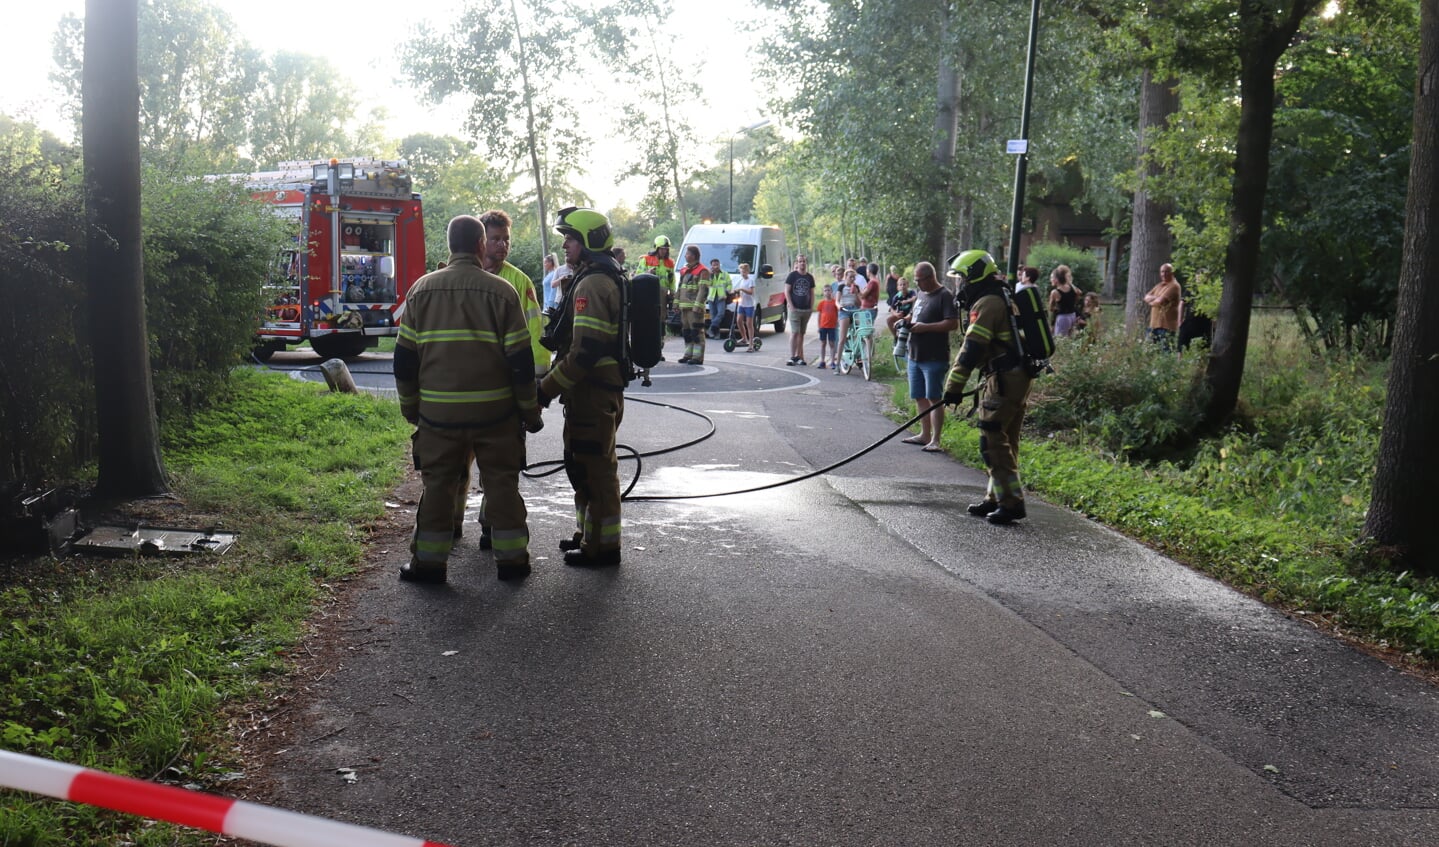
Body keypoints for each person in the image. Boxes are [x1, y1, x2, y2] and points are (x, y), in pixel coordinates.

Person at [393, 215, 543, 584]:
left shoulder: (421, 290)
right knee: (501, 486)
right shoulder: (503, 292)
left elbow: (404, 361)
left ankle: (428, 564)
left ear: (449, 246)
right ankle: (512, 562)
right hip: (496, 416)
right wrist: (529, 411)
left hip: (439, 417)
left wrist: (412, 408)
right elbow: (521, 363)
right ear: (480, 245)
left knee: (439, 487)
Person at [451, 210, 550, 549]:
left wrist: (536, 386)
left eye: (507, 239)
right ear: (481, 240)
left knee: (499, 469)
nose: (502, 245)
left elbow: (535, 336)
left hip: (503, 394)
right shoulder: (452, 275)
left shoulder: (519, 282)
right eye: (495, 238)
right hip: (459, 388)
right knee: (455, 466)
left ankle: (490, 527)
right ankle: (448, 522)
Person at [536, 207, 626, 567]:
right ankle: (588, 534)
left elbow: (584, 351)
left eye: (571, 239)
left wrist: (546, 388)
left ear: (588, 241)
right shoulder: (598, 276)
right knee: (583, 464)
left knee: (596, 471)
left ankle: (602, 548)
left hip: (592, 392)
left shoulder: (591, 284)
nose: (566, 245)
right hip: (593, 392)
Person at [941, 249, 1033, 525]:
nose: (960, 285)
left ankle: (1011, 502)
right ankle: (996, 497)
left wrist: (953, 387)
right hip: (1015, 376)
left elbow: (970, 351)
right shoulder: (1001, 297)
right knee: (1006, 439)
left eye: (962, 278)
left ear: (974, 276)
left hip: (1004, 379)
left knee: (992, 438)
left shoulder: (988, 304)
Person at [898, 261, 960, 451]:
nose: (916, 284)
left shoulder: (944, 296)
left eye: (919, 280)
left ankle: (936, 439)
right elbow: (916, 316)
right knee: (919, 396)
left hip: (934, 356)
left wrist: (926, 328)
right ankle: (924, 435)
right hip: (915, 354)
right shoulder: (921, 294)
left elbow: (952, 323)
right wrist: (905, 321)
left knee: (934, 397)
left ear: (929, 277)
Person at [675, 245, 711, 365]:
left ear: (694, 256)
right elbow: (680, 288)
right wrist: (676, 303)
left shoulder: (703, 271)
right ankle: (688, 354)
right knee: (686, 332)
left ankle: (697, 357)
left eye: (687, 254)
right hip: (684, 307)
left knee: (696, 332)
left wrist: (697, 306)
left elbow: (703, 290)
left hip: (694, 308)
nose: (685, 256)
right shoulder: (684, 270)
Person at [785, 254, 816, 366]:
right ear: (797, 263)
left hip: (806, 310)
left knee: (802, 334)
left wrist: (811, 307)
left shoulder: (810, 277)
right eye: (800, 261)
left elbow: (812, 293)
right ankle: (792, 356)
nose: (802, 263)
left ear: (806, 263)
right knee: (794, 332)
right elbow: (787, 291)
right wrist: (791, 305)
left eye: (803, 261)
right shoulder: (792, 276)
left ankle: (799, 356)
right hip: (795, 309)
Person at [1145, 263, 1182, 350]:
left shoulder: (1174, 286)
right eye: (1162, 272)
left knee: (1166, 353)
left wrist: (1152, 301)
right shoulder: (1159, 285)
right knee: (1149, 352)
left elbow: (1160, 302)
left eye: (1166, 272)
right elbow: (1146, 297)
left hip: (1166, 327)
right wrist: (1156, 298)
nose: (1164, 274)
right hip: (1153, 325)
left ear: (1172, 273)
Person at [1047, 264, 1083, 337]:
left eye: (1051, 277)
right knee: (1070, 338)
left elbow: (1051, 308)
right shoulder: (1072, 288)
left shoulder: (1055, 292)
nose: (1050, 280)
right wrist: (1069, 282)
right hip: (1072, 315)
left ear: (1056, 279)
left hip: (1062, 318)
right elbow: (1079, 293)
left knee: (1060, 339)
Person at [836, 268, 862, 359]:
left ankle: (859, 355)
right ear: (845, 277)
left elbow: (860, 304)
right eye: (850, 277)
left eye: (853, 278)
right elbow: (837, 301)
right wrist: (839, 306)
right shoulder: (841, 287)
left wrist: (856, 294)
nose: (852, 279)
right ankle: (838, 364)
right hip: (844, 310)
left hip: (854, 309)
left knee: (862, 331)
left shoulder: (856, 287)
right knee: (842, 339)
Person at [706, 258, 732, 338]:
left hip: (721, 296)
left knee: (721, 313)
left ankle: (711, 329)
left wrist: (728, 291)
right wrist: (710, 275)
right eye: (714, 265)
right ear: (711, 266)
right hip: (712, 297)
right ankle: (716, 334)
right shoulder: (709, 274)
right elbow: (707, 284)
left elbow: (729, 284)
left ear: (719, 264)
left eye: (717, 265)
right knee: (713, 315)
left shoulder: (724, 274)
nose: (716, 267)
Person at [734, 262, 757, 350]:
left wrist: (742, 289)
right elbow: (741, 292)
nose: (742, 274)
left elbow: (751, 292)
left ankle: (751, 343)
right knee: (739, 321)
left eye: (743, 272)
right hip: (742, 304)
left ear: (747, 272)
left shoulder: (750, 280)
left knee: (749, 324)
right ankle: (744, 338)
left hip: (749, 305)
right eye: (741, 272)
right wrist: (737, 294)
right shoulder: (741, 281)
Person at [816, 284, 840, 369]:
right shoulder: (821, 303)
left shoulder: (834, 303)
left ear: (832, 291)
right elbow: (819, 315)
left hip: (832, 327)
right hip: (823, 326)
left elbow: (837, 313)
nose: (827, 292)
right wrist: (819, 326)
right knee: (823, 343)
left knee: (832, 344)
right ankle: (822, 361)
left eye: (829, 290)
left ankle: (832, 361)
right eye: (825, 290)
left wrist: (837, 322)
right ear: (823, 292)